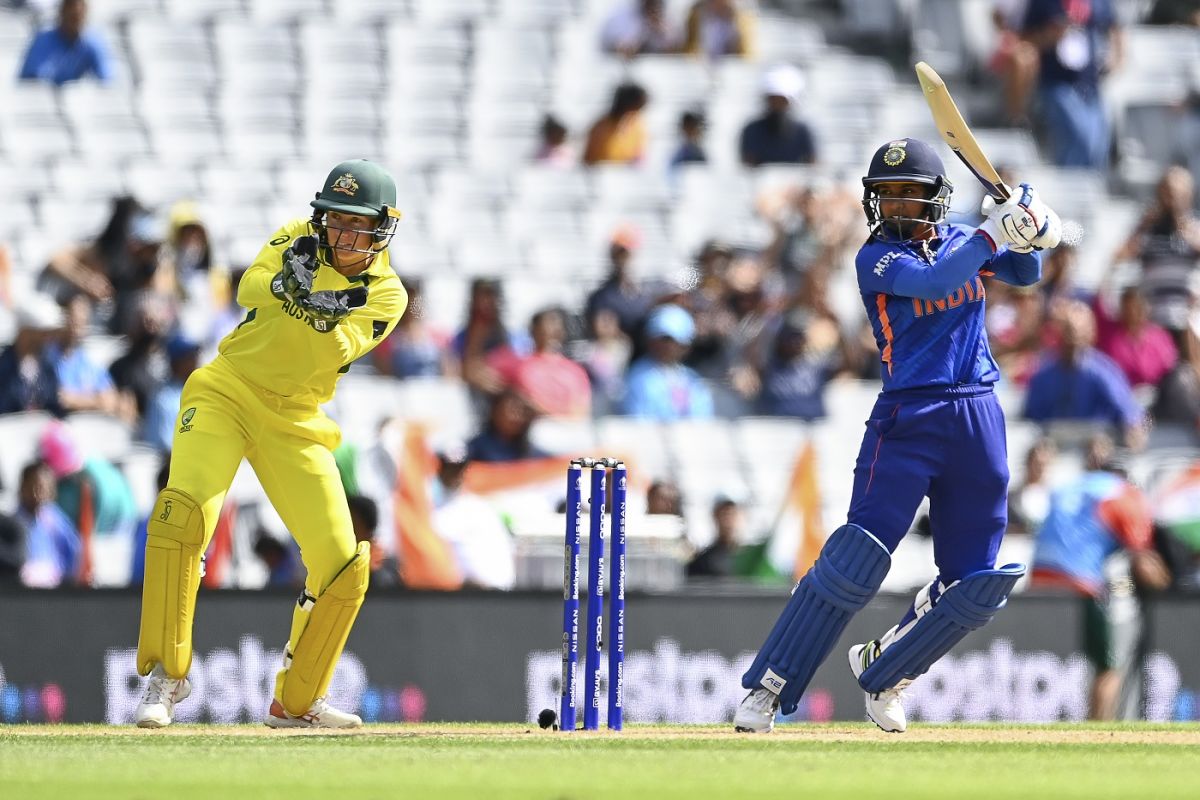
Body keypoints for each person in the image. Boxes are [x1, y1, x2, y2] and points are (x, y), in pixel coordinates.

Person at [733, 137, 1062, 734]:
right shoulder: (876, 259)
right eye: (885, 196)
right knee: (855, 559)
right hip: (908, 419)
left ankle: (887, 671)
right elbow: (938, 284)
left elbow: (1025, 271)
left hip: (978, 416)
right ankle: (770, 687)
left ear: (935, 199)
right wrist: (998, 230)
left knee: (975, 582)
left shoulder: (964, 240)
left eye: (908, 194)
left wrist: (1031, 227)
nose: (896, 207)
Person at [132, 159, 408, 730]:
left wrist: (320, 301)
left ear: (382, 228)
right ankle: (166, 677)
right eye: (333, 220)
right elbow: (247, 287)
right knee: (183, 515)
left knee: (341, 562)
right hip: (226, 391)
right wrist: (289, 281)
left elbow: (337, 348)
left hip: (297, 419)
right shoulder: (297, 236)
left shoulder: (386, 293)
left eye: (355, 225)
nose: (339, 234)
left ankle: (298, 701)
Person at [1031, 434, 1171, 719]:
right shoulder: (1123, 494)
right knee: (1108, 667)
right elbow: (1143, 564)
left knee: (1041, 662)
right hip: (1081, 582)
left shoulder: (1070, 485)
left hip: (1038, 579)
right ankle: (1099, 729)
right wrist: (1169, 582)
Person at [1021, 0, 1122, 169]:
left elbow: (1114, 27)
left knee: (1099, 143)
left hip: (1090, 84)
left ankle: (1091, 188)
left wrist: (1116, 57)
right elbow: (1025, 39)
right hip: (1056, 82)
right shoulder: (1042, 3)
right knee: (1077, 137)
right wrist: (1050, 35)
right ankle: (1073, 187)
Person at [622, 304, 714, 420]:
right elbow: (638, 420)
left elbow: (702, 419)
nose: (667, 346)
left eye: (673, 341)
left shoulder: (692, 379)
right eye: (663, 339)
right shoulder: (638, 376)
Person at [17, 0, 113, 86]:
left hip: (76, 100)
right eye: (71, 17)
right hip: (41, 99)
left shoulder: (92, 41)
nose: (75, 22)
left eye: (78, 17)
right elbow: (35, 79)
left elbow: (106, 78)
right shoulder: (43, 40)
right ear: (61, 13)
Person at [582, 82, 649, 167]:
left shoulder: (638, 126)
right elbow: (590, 160)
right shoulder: (601, 127)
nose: (633, 114)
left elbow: (640, 158)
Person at [687, 495, 745, 578]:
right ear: (715, 516)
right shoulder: (704, 560)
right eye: (725, 515)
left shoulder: (750, 558)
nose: (729, 521)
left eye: (733, 514)